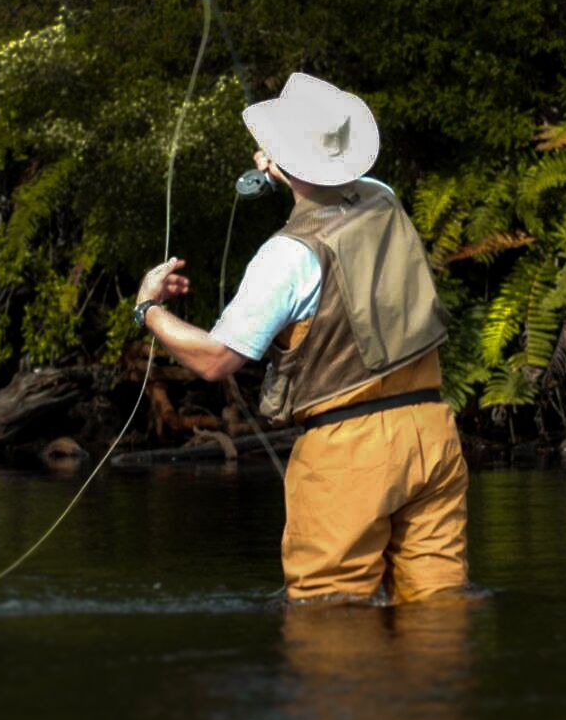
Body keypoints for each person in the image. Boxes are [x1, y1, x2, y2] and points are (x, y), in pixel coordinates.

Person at [131, 72, 470, 604]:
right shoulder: (384, 199)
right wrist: (287, 169)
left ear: (278, 161)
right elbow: (335, 199)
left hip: (349, 451)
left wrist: (148, 309)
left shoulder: (286, 257)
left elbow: (217, 359)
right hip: (433, 432)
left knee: (330, 615)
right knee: (439, 607)